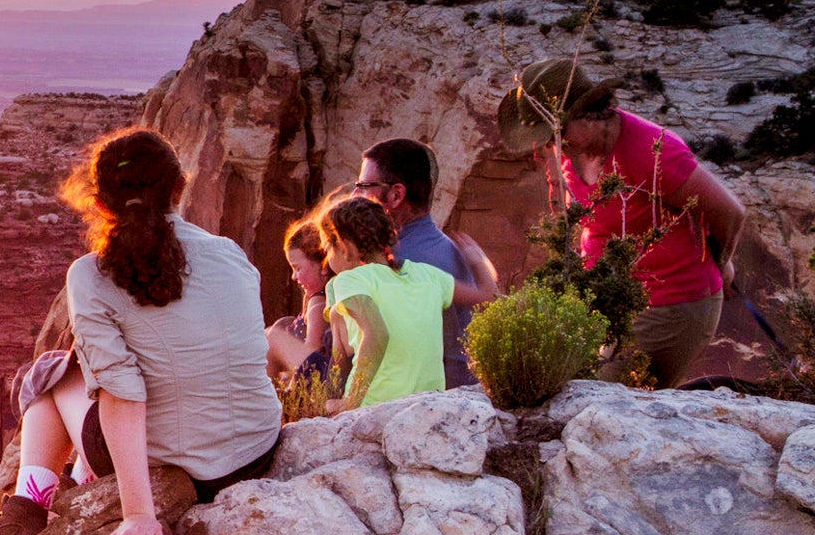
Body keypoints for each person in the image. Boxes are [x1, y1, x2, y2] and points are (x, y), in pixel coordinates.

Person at [0, 128, 282, 535]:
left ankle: (28, 510)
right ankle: (58, 492)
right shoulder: (229, 254)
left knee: (47, 374)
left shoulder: (91, 275)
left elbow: (123, 395)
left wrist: (138, 515)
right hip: (256, 450)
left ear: (100, 202)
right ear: (179, 188)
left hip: (189, 469)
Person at [498, 60, 747, 387]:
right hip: (615, 301)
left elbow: (730, 212)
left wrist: (721, 260)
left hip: (671, 303)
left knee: (602, 393)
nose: (549, 144)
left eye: (554, 134)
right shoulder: (571, 148)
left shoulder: (651, 151)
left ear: (589, 114)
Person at [350, 138, 502, 385]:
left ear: (396, 195)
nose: (354, 194)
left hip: (430, 398)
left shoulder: (399, 263)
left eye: (364, 185)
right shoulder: (448, 247)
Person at [316, 197, 457, 412]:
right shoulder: (427, 274)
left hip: (375, 406)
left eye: (327, 248)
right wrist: (477, 263)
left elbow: (377, 334)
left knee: (336, 315)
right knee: (337, 313)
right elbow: (484, 295)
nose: (326, 260)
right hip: (429, 405)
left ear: (343, 246)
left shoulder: (349, 280)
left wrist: (350, 402)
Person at [266, 210, 335, 382]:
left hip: (314, 380)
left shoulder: (319, 305)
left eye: (297, 268)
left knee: (272, 336)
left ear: (323, 266)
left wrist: (291, 383)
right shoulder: (311, 300)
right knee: (282, 325)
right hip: (303, 373)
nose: (293, 277)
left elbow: (311, 358)